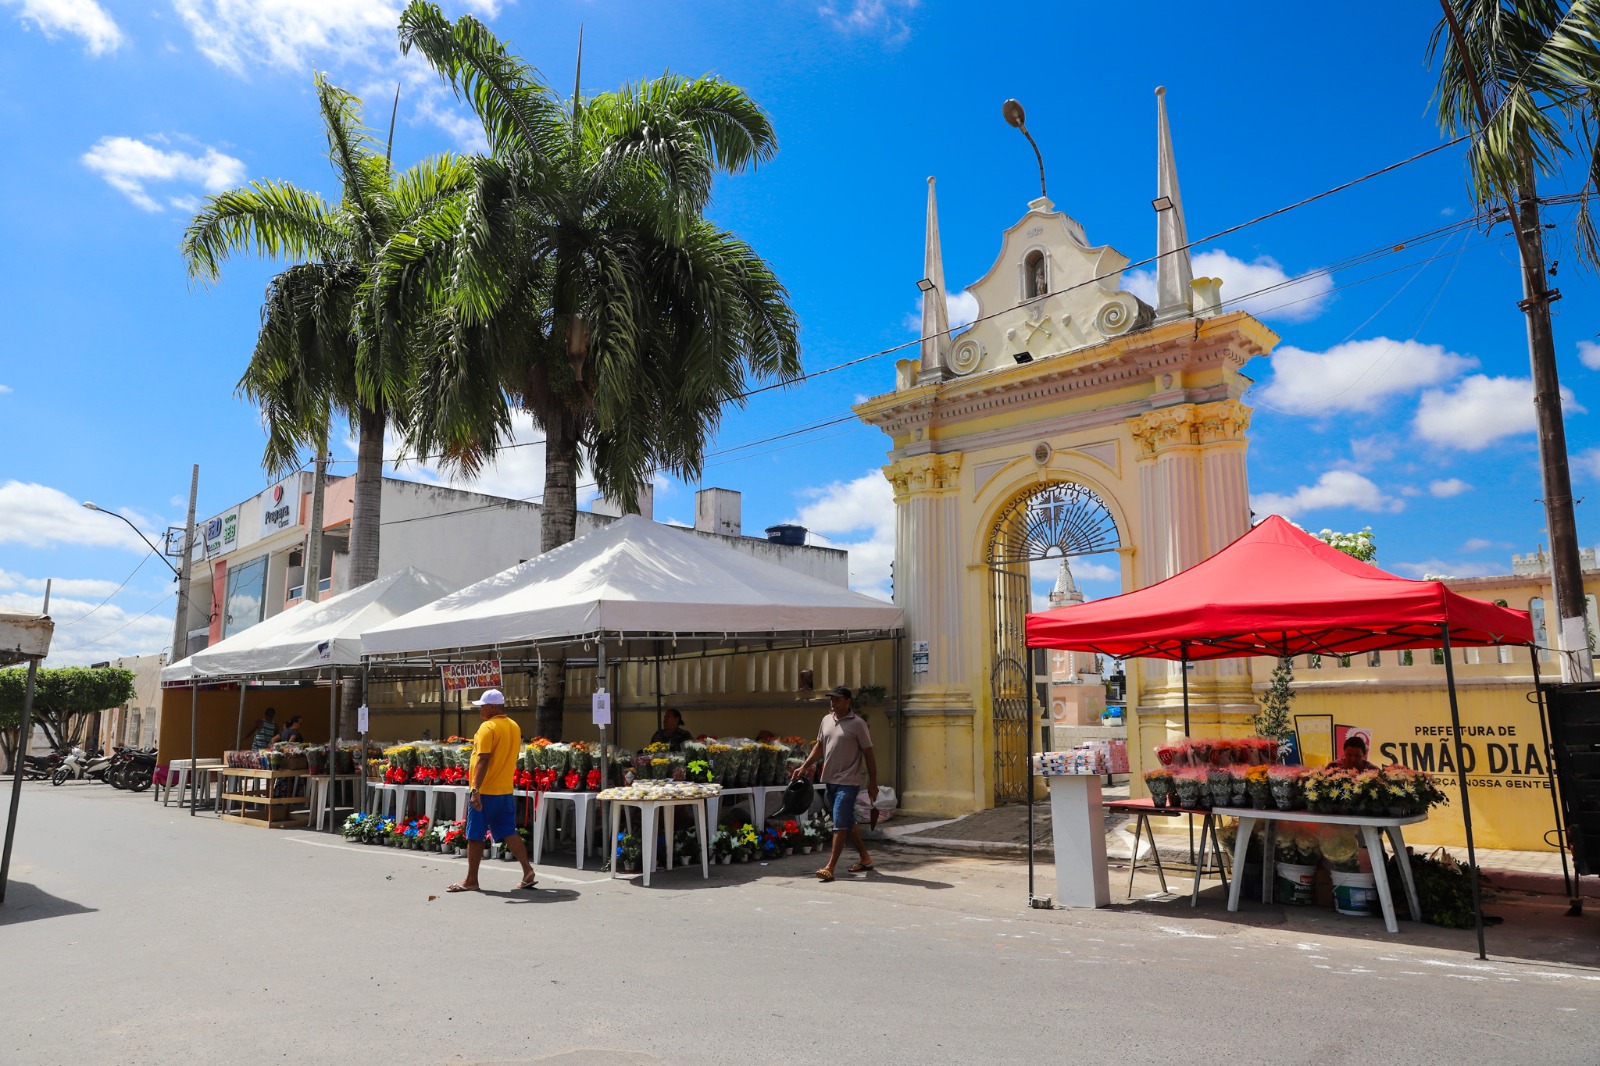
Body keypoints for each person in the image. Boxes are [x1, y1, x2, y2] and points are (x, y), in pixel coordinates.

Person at [448, 689, 538, 894]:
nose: (480, 708)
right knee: (508, 831)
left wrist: (475, 790)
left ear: (492, 707)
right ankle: (528, 871)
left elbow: (483, 759)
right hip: (505, 789)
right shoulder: (513, 726)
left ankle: (471, 879)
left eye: (482, 705)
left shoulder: (487, 727)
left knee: (474, 835)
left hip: (486, 790)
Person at [792, 685, 878, 882]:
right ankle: (865, 857)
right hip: (829, 780)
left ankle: (830, 867)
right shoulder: (826, 720)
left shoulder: (858, 724)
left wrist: (874, 783)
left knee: (839, 824)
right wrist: (804, 766)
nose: (833, 702)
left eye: (837, 699)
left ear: (848, 702)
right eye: (831, 699)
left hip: (848, 782)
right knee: (847, 821)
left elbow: (869, 755)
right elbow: (819, 747)